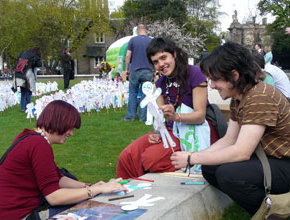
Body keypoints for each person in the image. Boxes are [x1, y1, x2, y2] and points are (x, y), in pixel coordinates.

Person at [170, 42, 290, 216]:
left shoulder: (260, 97)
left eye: (215, 79)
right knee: (210, 168)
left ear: (234, 75)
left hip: (285, 163)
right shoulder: (239, 96)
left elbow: (242, 152)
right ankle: (264, 207)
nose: (211, 86)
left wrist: (192, 157)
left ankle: (274, 213)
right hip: (270, 159)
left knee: (230, 174)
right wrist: (195, 159)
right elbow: (229, 140)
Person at [0, 100, 127, 220]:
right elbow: (54, 197)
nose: (71, 133)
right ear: (59, 121)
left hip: (8, 212)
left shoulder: (32, 137)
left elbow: (57, 178)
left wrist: (89, 186)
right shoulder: (39, 144)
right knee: (91, 211)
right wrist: (95, 191)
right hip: (16, 215)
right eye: (70, 127)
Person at [116, 37, 219, 179]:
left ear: (174, 54)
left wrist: (175, 116)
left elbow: (200, 116)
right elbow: (161, 118)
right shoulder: (159, 83)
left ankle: (195, 162)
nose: (161, 64)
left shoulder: (195, 73)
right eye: (156, 62)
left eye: (164, 58)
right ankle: (128, 190)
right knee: (127, 156)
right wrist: (158, 132)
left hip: (196, 131)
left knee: (150, 159)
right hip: (171, 132)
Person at [123, 24, 153, 122]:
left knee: (133, 93)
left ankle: (130, 116)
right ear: (146, 30)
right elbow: (154, 56)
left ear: (138, 31)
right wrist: (155, 71)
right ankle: (143, 118)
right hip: (148, 70)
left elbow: (128, 56)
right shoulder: (151, 41)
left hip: (135, 70)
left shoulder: (132, 40)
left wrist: (127, 69)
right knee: (145, 94)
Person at [14, 47, 42, 111]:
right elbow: (39, 64)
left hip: (19, 75)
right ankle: (28, 107)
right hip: (27, 76)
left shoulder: (22, 53)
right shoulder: (34, 56)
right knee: (28, 92)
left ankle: (23, 108)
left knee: (23, 92)